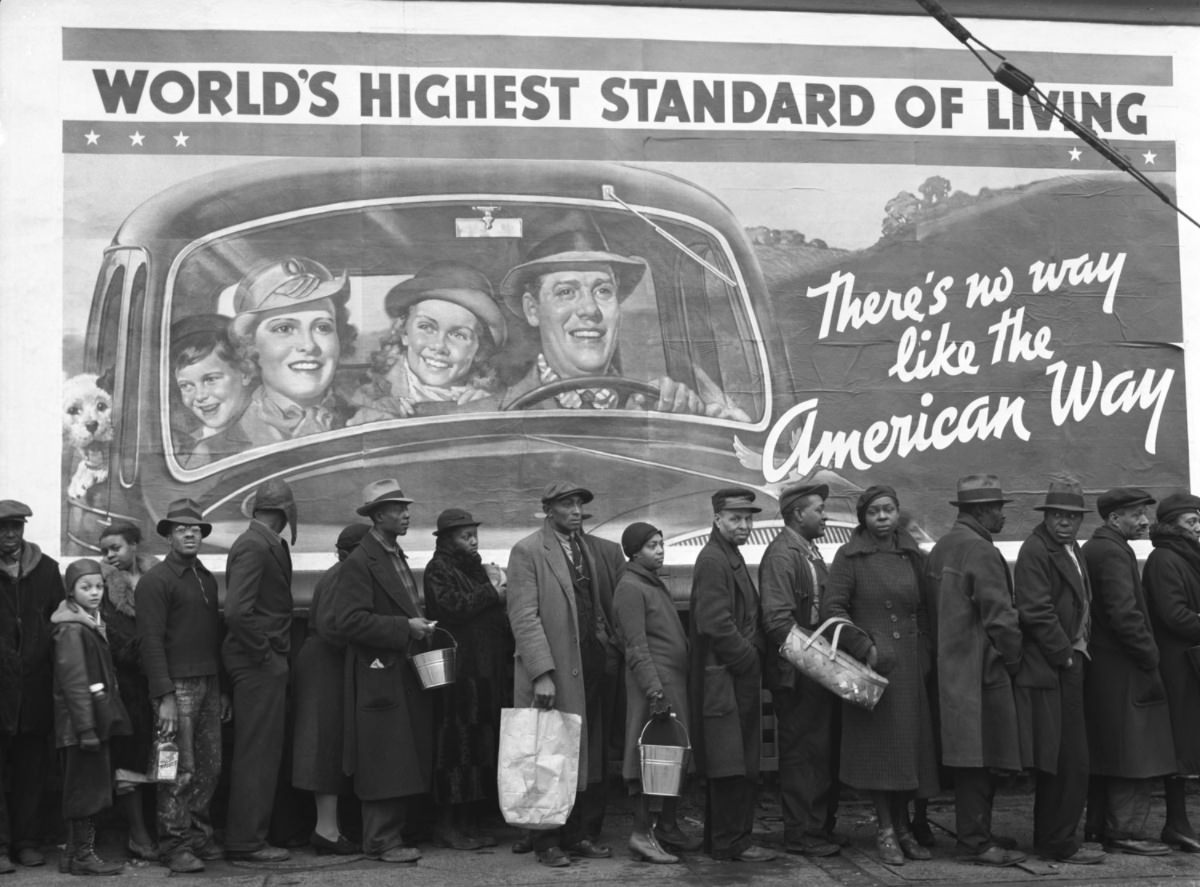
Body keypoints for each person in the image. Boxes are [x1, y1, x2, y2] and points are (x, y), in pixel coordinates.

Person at [498, 230, 748, 419]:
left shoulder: (656, 411)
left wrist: (709, 429)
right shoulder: (490, 416)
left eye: (603, 291)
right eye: (566, 292)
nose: (590, 310)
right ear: (533, 310)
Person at [822, 484, 938, 866]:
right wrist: (866, 648)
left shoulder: (910, 554)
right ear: (863, 518)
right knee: (881, 755)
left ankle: (904, 828)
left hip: (908, 666)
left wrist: (922, 655)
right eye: (875, 512)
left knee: (908, 755)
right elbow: (834, 610)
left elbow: (923, 609)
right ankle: (886, 830)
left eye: (889, 510)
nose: (883, 517)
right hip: (872, 670)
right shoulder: (849, 557)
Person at [506, 482, 621, 868]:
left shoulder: (586, 548)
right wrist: (541, 673)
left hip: (589, 666)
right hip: (555, 670)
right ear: (547, 510)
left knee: (583, 753)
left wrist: (605, 645)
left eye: (578, 504)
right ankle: (546, 841)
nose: (575, 511)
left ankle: (578, 835)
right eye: (566, 504)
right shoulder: (528, 550)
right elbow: (523, 617)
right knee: (547, 755)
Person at [333, 480, 438, 864]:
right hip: (379, 671)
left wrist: (417, 623)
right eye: (398, 508)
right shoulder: (362, 561)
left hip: (398, 669)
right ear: (378, 516)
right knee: (383, 756)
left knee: (398, 753)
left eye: (406, 507)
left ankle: (392, 835)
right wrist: (403, 628)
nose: (407, 513)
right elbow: (348, 621)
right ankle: (380, 840)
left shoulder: (395, 554)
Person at [924, 475, 1026, 867]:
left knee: (970, 757)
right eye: (998, 507)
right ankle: (975, 841)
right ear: (982, 511)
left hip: (950, 671)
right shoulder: (980, 550)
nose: (1002, 513)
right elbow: (1001, 618)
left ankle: (976, 834)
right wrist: (1013, 659)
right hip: (982, 673)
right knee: (983, 759)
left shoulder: (942, 547)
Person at [1012, 479, 1106, 865]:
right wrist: (1064, 655)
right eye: (1058, 516)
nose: (1065, 523)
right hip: (1055, 666)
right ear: (1047, 516)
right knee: (1068, 759)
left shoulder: (1071, 548)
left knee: (1067, 758)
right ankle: (1059, 842)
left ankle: (1056, 837)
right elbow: (1034, 610)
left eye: (1072, 517)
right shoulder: (1037, 549)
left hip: (1073, 660)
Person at [135, 499, 231, 874]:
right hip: (175, 687)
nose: (190, 533)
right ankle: (172, 844)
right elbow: (150, 642)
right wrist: (164, 697)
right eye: (181, 529)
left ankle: (198, 836)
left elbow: (213, 638)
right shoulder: (156, 582)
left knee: (210, 768)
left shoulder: (204, 577)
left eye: (196, 529)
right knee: (175, 768)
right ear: (169, 536)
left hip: (208, 681)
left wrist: (221, 688)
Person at [1082, 487, 1174, 856]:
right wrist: (1150, 655)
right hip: (1124, 667)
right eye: (1136, 514)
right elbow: (1124, 614)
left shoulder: (1096, 547)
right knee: (1133, 753)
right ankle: (1124, 832)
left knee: (1109, 749)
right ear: (1114, 518)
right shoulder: (1113, 552)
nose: (1144, 521)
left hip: (1106, 666)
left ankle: (1099, 828)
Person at [687, 487, 775, 862]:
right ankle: (730, 843)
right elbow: (714, 622)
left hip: (730, 676)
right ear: (717, 519)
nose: (745, 525)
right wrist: (748, 658)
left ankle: (723, 840)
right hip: (726, 678)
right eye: (736, 518)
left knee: (733, 761)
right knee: (729, 764)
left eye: (749, 518)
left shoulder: (726, 555)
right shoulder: (713, 559)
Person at [759, 481, 844, 859]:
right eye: (819, 509)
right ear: (798, 514)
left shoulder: (809, 551)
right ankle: (801, 834)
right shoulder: (782, 555)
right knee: (801, 753)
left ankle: (815, 828)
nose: (825, 515)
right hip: (798, 674)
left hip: (815, 670)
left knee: (818, 751)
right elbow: (777, 621)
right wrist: (820, 660)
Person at [422, 508, 512, 851]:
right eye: (465, 536)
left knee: (478, 748)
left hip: (483, 672)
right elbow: (453, 606)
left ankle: (470, 821)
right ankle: (449, 823)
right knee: (454, 749)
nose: (473, 541)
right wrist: (493, 592)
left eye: (474, 534)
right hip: (458, 674)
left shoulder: (476, 567)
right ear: (447, 540)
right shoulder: (438, 568)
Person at [611, 521, 698, 864]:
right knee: (648, 761)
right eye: (651, 545)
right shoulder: (630, 587)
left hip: (671, 684)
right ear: (633, 552)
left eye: (661, 543)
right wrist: (654, 692)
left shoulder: (651, 582)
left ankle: (667, 827)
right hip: (655, 687)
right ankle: (641, 833)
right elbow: (635, 646)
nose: (660, 550)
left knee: (671, 759)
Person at [222, 479, 298, 863]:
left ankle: (251, 835)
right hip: (257, 664)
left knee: (263, 752)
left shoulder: (266, 542)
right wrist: (266, 655)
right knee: (257, 753)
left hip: (262, 661)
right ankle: (246, 840)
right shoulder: (254, 545)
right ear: (284, 511)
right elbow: (236, 611)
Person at [291, 522, 370, 856]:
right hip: (326, 664)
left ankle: (329, 827)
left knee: (325, 744)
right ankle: (327, 830)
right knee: (324, 745)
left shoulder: (335, 572)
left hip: (320, 661)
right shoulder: (345, 575)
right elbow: (333, 625)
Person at [51, 558, 131, 876]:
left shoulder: (89, 623)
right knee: (85, 791)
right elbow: (74, 683)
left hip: (87, 725)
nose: (95, 592)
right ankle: (83, 855)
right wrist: (85, 728)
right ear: (71, 592)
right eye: (86, 587)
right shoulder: (72, 629)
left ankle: (73, 855)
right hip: (81, 727)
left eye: (99, 586)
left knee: (83, 788)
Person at [227, 255, 359, 444]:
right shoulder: (215, 449)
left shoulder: (377, 423)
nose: (309, 345)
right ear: (251, 345)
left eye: (322, 327)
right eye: (284, 329)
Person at [351, 262, 506, 419]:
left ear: (478, 350)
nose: (439, 346)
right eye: (426, 327)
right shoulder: (370, 399)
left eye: (459, 335)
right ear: (404, 333)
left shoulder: (497, 402)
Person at [0, 499, 62, 873]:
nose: (9, 535)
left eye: (15, 528)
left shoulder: (48, 570)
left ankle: (26, 842)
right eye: (3, 529)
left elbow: (58, 622)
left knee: (31, 769)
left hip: (35, 688)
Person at [97, 523, 158, 860]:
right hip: (127, 687)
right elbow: (111, 637)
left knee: (162, 757)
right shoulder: (103, 589)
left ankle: (161, 827)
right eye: (104, 550)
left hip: (161, 683)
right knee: (130, 757)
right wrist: (147, 653)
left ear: (134, 545)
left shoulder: (158, 579)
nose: (109, 555)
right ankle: (137, 833)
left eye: (116, 548)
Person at [1143, 491, 1200, 853]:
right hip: (1179, 666)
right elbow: (1174, 616)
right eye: (1191, 521)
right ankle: (1176, 824)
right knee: (1180, 748)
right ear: (1172, 525)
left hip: (1192, 664)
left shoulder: (1186, 556)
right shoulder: (1164, 559)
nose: (1198, 527)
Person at [169, 314, 254, 466]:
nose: (200, 396)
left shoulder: (262, 433)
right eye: (186, 386)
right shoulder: (185, 443)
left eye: (210, 379)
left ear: (245, 373)